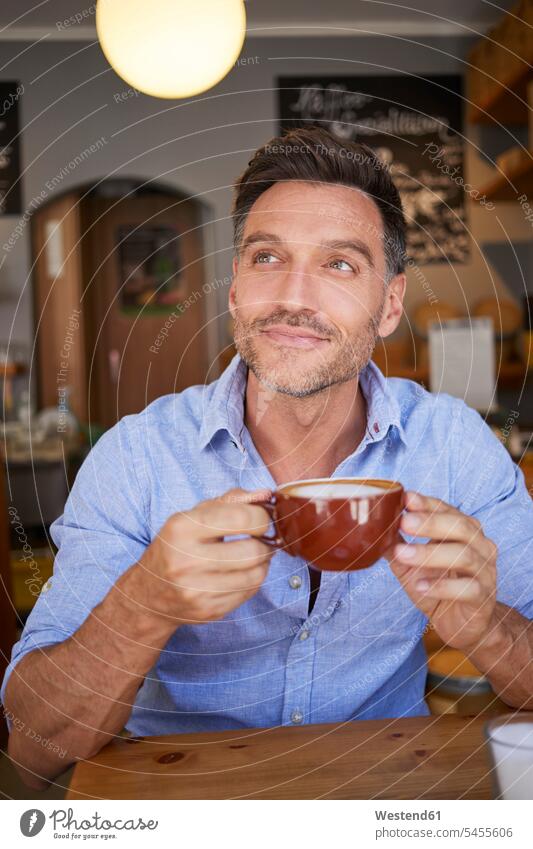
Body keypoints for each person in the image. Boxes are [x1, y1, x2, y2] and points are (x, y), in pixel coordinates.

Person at [3, 126, 533, 790]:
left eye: (339, 263)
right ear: (233, 291)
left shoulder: (453, 445)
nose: (294, 297)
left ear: (389, 303)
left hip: (387, 798)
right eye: (265, 257)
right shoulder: (135, 459)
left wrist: (488, 627)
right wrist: (145, 603)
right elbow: (33, 746)